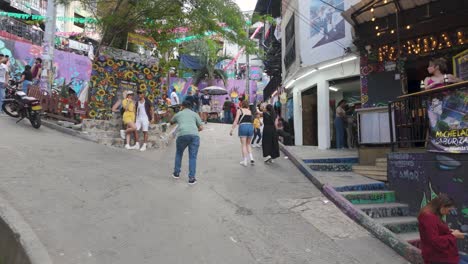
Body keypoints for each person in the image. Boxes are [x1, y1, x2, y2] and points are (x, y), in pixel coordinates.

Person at [418, 193, 468, 264]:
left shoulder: (433, 215)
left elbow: (435, 231)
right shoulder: (428, 217)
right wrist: (453, 235)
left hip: (443, 253)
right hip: (437, 257)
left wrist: (449, 231)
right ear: (442, 206)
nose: (448, 213)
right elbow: (434, 241)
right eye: (448, 210)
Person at [170, 100, 203, 185]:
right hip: (194, 136)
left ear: (182, 106)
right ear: (191, 106)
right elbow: (201, 127)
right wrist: (194, 131)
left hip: (182, 135)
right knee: (192, 157)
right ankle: (191, 179)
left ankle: (176, 173)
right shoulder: (195, 114)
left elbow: (171, 122)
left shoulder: (179, 114)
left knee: (179, 154)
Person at [230, 100, 255, 166]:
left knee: (243, 145)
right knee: (248, 144)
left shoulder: (239, 110)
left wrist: (232, 129)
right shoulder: (249, 111)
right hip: (250, 127)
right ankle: (252, 158)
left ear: (242, 104)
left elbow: (236, 120)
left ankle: (245, 161)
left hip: (243, 126)